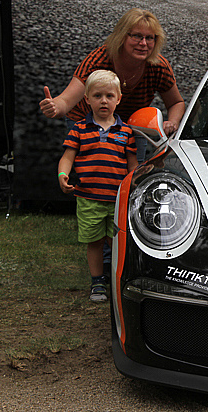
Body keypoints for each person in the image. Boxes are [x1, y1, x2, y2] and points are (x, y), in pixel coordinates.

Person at [39, 7, 185, 161]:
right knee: (93, 167)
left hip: (133, 125)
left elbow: (176, 102)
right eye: (137, 36)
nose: (143, 43)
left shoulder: (158, 66)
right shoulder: (98, 61)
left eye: (150, 38)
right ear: (122, 36)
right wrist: (55, 107)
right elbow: (66, 100)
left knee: (134, 170)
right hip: (90, 120)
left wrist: (172, 122)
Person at [58, 70, 138, 302]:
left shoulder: (126, 132)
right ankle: (97, 283)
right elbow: (67, 157)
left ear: (118, 99)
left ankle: (118, 280)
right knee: (94, 242)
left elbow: (132, 165)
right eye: (97, 96)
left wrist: (135, 187)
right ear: (87, 99)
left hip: (117, 200)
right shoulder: (79, 129)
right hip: (88, 198)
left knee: (117, 242)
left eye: (109, 96)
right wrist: (63, 174)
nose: (104, 101)